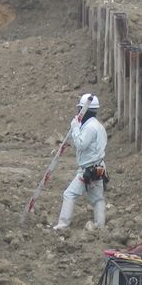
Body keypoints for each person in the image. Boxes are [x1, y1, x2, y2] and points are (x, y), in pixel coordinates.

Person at [53, 93, 108, 230]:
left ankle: (63, 224)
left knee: (69, 194)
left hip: (88, 169)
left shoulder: (90, 127)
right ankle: (100, 226)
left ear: (84, 110)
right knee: (97, 199)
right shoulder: (97, 126)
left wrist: (76, 128)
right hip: (98, 167)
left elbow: (81, 144)